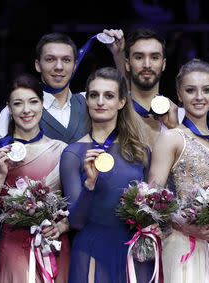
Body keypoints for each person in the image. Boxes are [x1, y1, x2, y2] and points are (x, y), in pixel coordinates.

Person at [0, 30, 125, 180]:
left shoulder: (90, 102)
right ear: (38, 65)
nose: (59, 67)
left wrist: (118, 55)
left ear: (75, 64)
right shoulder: (19, 110)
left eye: (66, 60)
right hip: (38, 220)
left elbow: (125, 99)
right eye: (50, 59)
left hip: (86, 214)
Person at [148, 59, 209, 283]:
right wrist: (186, 226)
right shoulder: (172, 137)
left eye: (206, 90)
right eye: (190, 90)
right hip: (183, 243)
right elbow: (153, 196)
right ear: (179, 94)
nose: (199, 97)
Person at [60, 67, 157, 283]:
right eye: (94, 95)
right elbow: (75, 222)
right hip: (91, 249)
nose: (100, 102)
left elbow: (156, 207)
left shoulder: (140, 152)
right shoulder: (73, 153)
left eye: (109, 95)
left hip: (135, 252)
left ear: (121, 102)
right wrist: (90, 184)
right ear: (86, 100)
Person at [0, 73, 70, 282]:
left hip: (54, 247)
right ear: (9, 107)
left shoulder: (62, 150)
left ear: (42, 104)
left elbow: (78, 206)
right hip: (15, 251)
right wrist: (0, 174)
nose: (26, 110)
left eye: (33, 102)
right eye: (18, 103)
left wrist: (63, 226)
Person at [122, 28, 183, 148]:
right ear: (127, 64)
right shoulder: (114, 114)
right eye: (139, 57)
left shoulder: (182, 117)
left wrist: (176, 129)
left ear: (163, 64)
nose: (147, 65)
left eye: (154, 58)